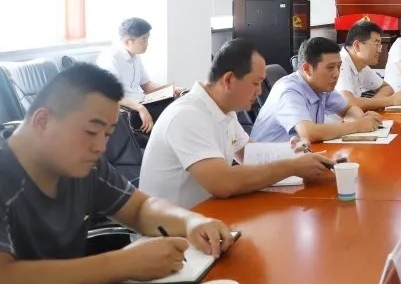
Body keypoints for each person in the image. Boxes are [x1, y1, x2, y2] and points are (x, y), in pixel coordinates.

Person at [0, 64, 233, 284]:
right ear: (42, 121)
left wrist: (191, 222)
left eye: (107, 134)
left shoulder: (85, 166)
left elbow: (139, 207)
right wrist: (123, 264)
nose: (101, 147)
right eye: (91, 131)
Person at [140, 39, 333, 209]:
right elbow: (222, 183)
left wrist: (292, 153)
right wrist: (292, 166)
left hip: (207, 218)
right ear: (229, 80)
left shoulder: (224, 109)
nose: (259, 92)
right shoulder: (187, 115)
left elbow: (250, 154)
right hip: (173, 232)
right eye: (256, 83)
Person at [252, 37, 383, 144]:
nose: (337, 74)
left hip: (299, 157)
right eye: (330, 67)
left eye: (339, 66)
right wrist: (357, 126)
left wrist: (363, 119)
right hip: (269, 163)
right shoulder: (289, 90)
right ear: (307, 69)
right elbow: (308, 133)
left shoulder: (322, 86)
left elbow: (347, 109)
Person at [96, 17, 182, 134]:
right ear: (127, 42)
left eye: (147, 39)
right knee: (172, 112)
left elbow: (147, 85)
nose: (147, 43)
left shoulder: (135, 57)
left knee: (177, 102)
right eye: (144, 39)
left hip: (140, 102)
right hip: (126, 109)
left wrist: (170, 90)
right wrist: (140, 108)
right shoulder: (110, 58)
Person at [336, 21, 401, 110]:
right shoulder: (340, 63)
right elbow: (348, 103)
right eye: (376, 44)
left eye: (380, 45)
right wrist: (390, 100)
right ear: (357, 46)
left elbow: (387, 88)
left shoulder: (361, 65)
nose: (379, 50)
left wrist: (370, 105)